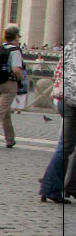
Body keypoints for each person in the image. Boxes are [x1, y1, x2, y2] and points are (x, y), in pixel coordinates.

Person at [39, 56, 71, 204]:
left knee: (66, 146)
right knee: (65, 147)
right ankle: (50, 186)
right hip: (72, 102)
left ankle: (64, 184)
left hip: (62, 98)